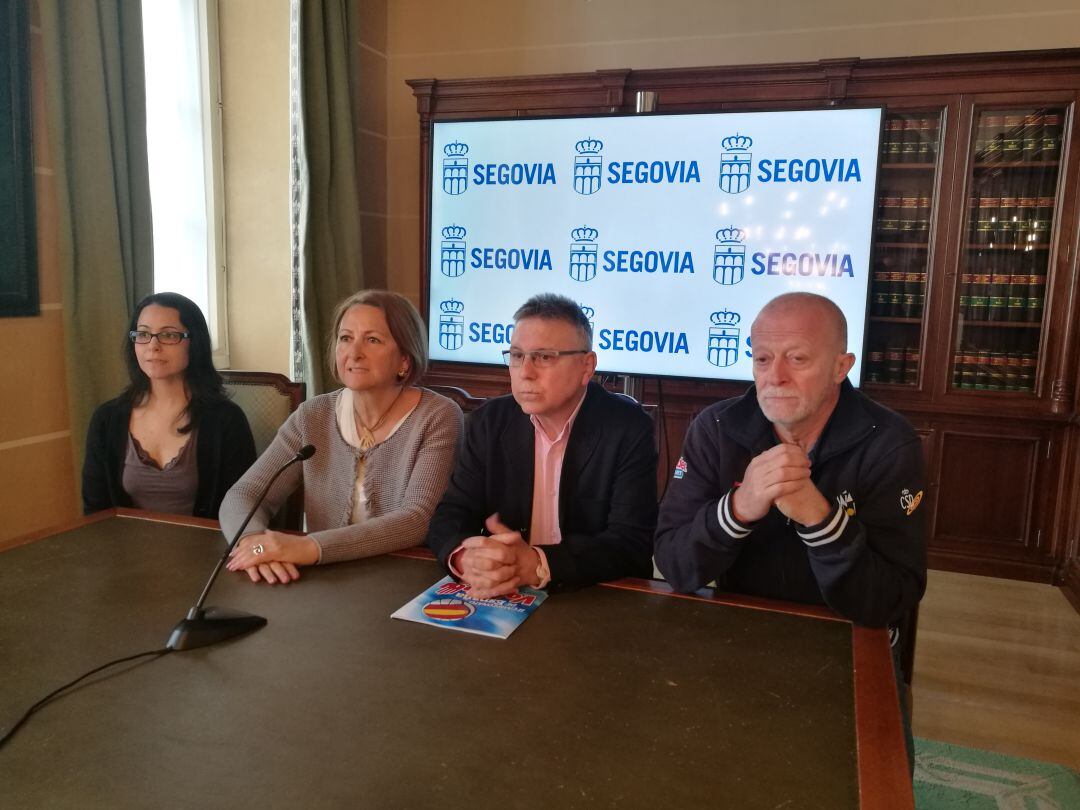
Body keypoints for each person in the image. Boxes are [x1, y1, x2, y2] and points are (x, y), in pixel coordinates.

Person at [654, 292, 926, 628]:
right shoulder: (716, 428)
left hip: (846, 634)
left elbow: (892, 598)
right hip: (740, 629)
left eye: (797, 359)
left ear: (840, 367)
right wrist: (738, 508)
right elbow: (675, 566)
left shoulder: (888, 442)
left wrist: (821, 520)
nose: (775, 376)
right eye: (762, 359)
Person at [222, 290, 463, 584]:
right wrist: (255, 546)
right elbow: (244, 494)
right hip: (325, 579)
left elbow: (417, 519)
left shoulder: (438, 415)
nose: (354, 352)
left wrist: (308, 547)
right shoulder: (313, 415)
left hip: (402, 577)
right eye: (346, 338)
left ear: (404, 359)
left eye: (372, 340)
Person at [425, 293, 657, 598]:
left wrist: (538, 563)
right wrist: (466, 558)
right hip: (506, 590)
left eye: (544, 357)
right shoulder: (489, 422)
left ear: (586, 367)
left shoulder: (628, 427)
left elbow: (630, 543)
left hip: (592, 594)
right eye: (517, 356)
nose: (526, 372)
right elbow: (451, 514)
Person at [82, 292, 256, 519]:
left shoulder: (227, 420)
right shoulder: (107, 419)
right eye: (143, 334)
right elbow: (96, 511)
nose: (153, 346)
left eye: (169, 335)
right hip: (124, 542)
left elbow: (242, 510)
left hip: (208, 541)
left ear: (195, 343)